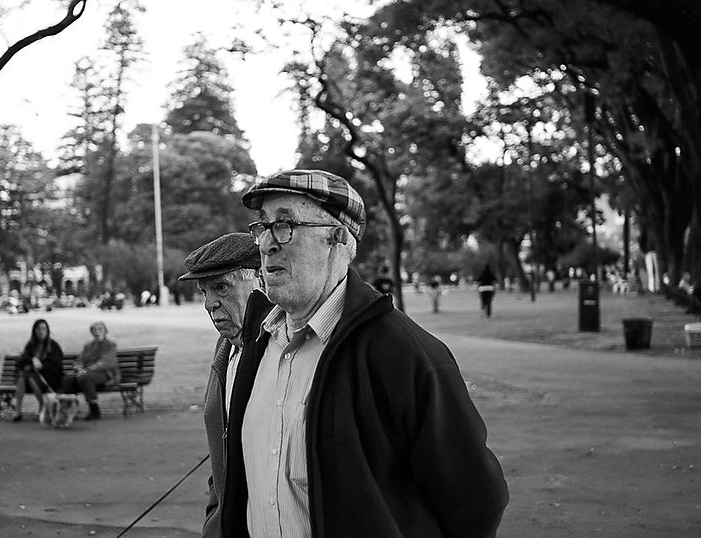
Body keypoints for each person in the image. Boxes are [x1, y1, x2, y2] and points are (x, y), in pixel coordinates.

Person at [219, 169, 508, 537]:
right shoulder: (257, 344)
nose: (266, 244)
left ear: (338, 238)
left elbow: (477, 499)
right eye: (263, 226)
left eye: (285, 225)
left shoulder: (402, 353)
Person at [177, 232, 272, 538]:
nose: (210, 304)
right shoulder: (225, 347)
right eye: (204, 291)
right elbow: (222, 456)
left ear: (261, 280)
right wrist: (214, 519)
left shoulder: (282, 351)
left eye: (221, 287)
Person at [62, 321, 119, 420]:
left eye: (100, 329)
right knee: (68, 379)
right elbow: (79, 360)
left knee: (85, 377)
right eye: (94, 330)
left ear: (105, 331)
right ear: (91, 332)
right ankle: (72, 409)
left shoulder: (111, 344)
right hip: (86, 373)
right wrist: (79, 369)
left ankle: (94, 410)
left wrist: (87, 370)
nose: (97, 332)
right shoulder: (88, 346)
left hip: (104, 373)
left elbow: (106, 362)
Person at [12, 319, 64, 422]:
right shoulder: (31, 345)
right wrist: (31, 360)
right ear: (34, 331)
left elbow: (57, 366)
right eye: (38, 329)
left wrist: (42, 366)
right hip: (32, 378)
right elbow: (22, 361)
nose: (41, 331)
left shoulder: (54, 346)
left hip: (50, 379)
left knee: (27, 376)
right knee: (24, 376)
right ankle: (19, 409)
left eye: (43, 328)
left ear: (47, 330)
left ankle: (39, 405)